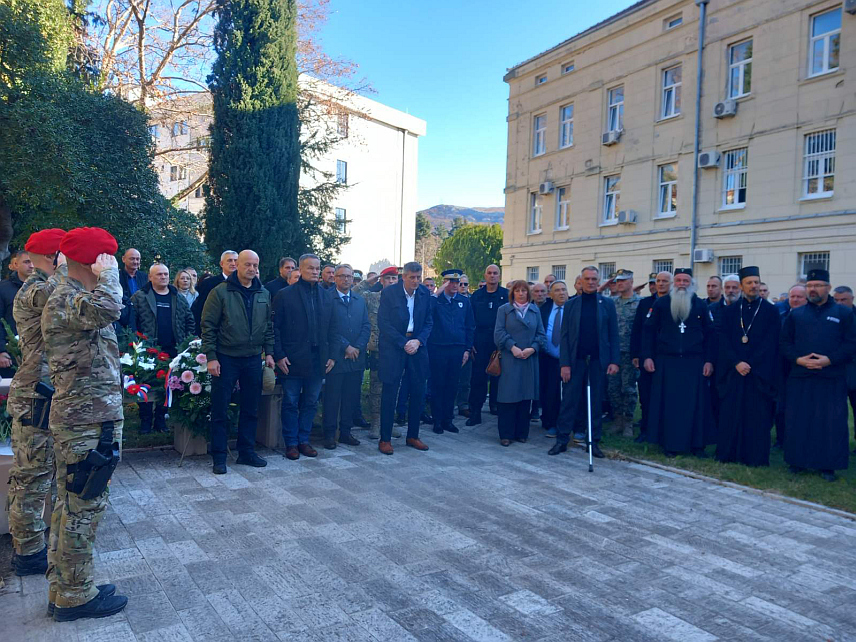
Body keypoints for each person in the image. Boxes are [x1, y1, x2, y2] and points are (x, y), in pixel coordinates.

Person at [42, 227, 128, 620]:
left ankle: (66, 587)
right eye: (106, 261)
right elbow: (109, 308)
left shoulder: (69, 296)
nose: (109, 268)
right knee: (83, 507)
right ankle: (75, 595)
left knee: (71, 503)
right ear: (96, 262)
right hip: (85, 423)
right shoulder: (70, 298)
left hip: (86, 419)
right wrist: (110, 275)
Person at [7, 230, 65, 578]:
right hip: (35, 397)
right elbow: (64, 292)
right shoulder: (38, 289)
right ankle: (27, 550)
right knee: (31, 478)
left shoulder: (45, 285)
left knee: (44, 475)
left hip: (48, 394)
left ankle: (38, 542)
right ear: (54, 257)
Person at [201, 250, 274, 474]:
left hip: (253, 359)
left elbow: (268, 326)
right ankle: (219, 457)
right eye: (247, 265)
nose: (251, 269)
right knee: (221, 408)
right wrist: (211, 357)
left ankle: (246, 452)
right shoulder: (220, 292)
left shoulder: (263, 292)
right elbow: (208, 326)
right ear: (237, 266)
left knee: (251, 407)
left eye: (255, 265)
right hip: (226, 358)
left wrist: (269, 352)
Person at [780, 269, 856, 481]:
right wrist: (798, 360)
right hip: (801, 377)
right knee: (799, 420)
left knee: (829, 422)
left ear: (828, 288)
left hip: (830, 377)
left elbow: (851, 344)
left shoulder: (844, 314)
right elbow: (785, 343)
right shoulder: (796, 314)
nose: (813, 289)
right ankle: (797, 461)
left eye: (818, 285)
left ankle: (828, 465)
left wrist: (829, 360)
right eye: (810, 285)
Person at [642, 268, 715, 457]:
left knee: (695, 406)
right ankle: (670, 444)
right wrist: (647, 356)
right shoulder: (661, 304)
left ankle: (697, 445)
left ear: (691, 283)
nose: (682, 284)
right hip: (667, 362)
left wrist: (709, 360)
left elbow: (710, 335)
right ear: (674, 283)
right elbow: (648, 331)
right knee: (670, 406)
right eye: (679, 280)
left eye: (686, 281)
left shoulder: (700, 305)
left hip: (694, 363)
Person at [549, 267, 619, 458]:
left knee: (595, 402)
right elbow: (564, 337)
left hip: (598, 361)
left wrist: (614, 360)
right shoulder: (572, 304)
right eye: (586, 278)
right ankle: (562, 440)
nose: (590, 282)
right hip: (575, 361)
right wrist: (564, 364)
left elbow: (613, 334)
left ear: (598, 281)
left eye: (594, 279)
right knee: (569, 401)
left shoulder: (607, 304)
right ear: (580, 281)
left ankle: (593, 441)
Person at [715, 267, 781, 466]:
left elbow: (772, 342)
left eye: (756, 282)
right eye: (749, 283)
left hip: (758, 373)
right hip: (734, 371)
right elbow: (722, 339)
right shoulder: (730, 311)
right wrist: (736, 362)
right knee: (731, 414)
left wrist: (750, 364)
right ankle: (728, 454)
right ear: (742, 286)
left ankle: (755, 458)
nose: (754, 286)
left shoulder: (771, 311)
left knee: (757, 416)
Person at [273, 254, 337, 459]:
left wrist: (333, 355)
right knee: (291, 402)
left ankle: (304, 440)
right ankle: (291, 443)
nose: (315, 272)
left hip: (318, 360)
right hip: (291, 359)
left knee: (310, 402)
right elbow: (274, 328)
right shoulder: (285, 295)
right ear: (300, 270)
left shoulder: (327, 296)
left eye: (317, 268)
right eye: (310, 268)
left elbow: (334, 328)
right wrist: (279, 355)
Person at [131, 263, 195, 434]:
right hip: (149, 349)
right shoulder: (140, 297)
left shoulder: (177, 297)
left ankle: (161, 419)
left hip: (173, 350)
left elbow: (190, 320)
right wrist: (137, 342)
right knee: (145, 384)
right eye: (159, 274)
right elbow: (132, 322)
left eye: (166, 274)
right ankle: (145, 421)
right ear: (150, 277)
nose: (163, 277)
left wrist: (186, 341)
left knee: (167, 385)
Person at [377, 261, 433, 454]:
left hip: (417, 347)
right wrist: (403, 342)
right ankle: (385, 439)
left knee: (418, 391)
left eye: (418, 277)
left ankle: (413, 435)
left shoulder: (425, 294)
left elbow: (428, 322)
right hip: (394, 347)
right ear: (404, 277)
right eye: (412, 278)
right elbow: (383, 323)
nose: (415, 281)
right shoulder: (389, 293)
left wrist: (418, 341)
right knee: (390, 392)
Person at [493, 281, 547, 446]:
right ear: (513, 293)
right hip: (510, 358)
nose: (521, 293)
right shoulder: (504, 310)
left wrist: (533, 348)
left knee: (525, 398)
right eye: (518, 290)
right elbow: (499, 333)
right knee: (508, 396)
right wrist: (513, 347)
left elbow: (541, 334)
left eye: (524, 290)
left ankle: (521, 433)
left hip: (528, 359)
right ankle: (506, 434)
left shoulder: (534, 310)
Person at [322, 264, 369, 449]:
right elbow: (327, 328)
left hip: (356, 357)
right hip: (336, 357)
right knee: (332, 398)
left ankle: (346, 432)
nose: (346, 280)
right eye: (342, 276)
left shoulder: (359, 300)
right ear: (335, 278)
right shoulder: (327, 298)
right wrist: (345, 346)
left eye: (349, 276)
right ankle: (329, 434)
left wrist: (357, 346)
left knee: (351, 396)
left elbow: (366, 325)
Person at [427, 269, 474, 435]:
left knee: (452, 385)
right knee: (438, 384)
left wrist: (467, 349)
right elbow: (427, 311)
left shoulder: (464, 301)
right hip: (438, 347)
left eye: (458, 282)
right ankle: (437, 420)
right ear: (445, 283)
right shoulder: (436, 300)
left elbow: (469, 326)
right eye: (451, 282)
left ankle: (448, 420)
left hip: (457, 348)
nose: (455, 285)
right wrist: (437, 292)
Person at [630, 271, 671, 442]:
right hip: (647, 356)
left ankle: (663, 431)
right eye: (658, 281)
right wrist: (636, 354)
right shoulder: (646, 303)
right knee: (646, 395)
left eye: (664, 281)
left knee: (664, 396)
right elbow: (637, 329)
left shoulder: (675, 303)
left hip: (667, 358)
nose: (660, 284)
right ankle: (645, 430)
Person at [467, 265, 507, 426]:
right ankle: (475, 412)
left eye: (495, 273)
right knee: (478, 379)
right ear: (485, 275)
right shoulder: (476, 296)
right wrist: (471, 343)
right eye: (489, 273)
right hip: (480, 342)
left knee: (499, 377)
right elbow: (469, 322)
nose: (492, 276)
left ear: (499, 276)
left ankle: (495, 406)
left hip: (500, 341)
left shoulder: (505, 295)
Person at [363, 266, 401, 439]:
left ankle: (389, 422)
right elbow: (353, 293)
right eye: (388, 279)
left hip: (396, 350)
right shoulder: (372, 298)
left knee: (394, 387)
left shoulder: (403, 299)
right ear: (381, 281)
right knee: (376, 388)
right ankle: (376, 423)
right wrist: (367, 281)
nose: (392, 282)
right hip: (378, 350)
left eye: (394, 279)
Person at [604, 269, 640, 437]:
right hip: (614, 354)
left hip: (630, 354)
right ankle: (617, 420)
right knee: (613, 388)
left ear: (631, 282)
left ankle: (628, 423)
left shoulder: (639, 303)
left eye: (624, 281)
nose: (620, 284)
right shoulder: (611, 303)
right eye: (618, 281)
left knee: (629, 389)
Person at [774, 284, 808, 447]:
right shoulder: (782, 315)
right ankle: (781, 440)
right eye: (792, 297)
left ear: (806, 298)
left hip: (803, 368)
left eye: (799, 297)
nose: (795, 300)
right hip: (782, 368)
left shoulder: (811, 318)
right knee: (781, 407)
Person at [539, 280, 568, 438]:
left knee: (568, 393)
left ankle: (566, 423)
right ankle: (550, 422)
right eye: (557, 290)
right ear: (551, 294)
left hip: (568, 359)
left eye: (564, 289)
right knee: (550, 391)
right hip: (548, 358)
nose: (561, 293)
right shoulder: (544, 309)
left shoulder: (572, 309)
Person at [0, 250, 34, 375]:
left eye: (33, 262)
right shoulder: (3, 289)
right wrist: (2, 350)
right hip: (12, 354)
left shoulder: (45, 287)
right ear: (15, 264)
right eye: (26, 262)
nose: (31, 266)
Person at [832, 285, 856, 448]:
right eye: (836, 300)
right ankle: (835, 444)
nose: (839, 303)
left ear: (852, 299)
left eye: (844, 300)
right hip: (836, 370)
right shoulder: (830, 316)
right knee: (835, 412)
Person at [192, 250, 238, 333]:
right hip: (215, 331)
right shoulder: (209, 283)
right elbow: (201, 308)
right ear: (221, 264)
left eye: (236, 261)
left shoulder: (244, 284)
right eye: (229, 260)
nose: (233, 263)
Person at [456, 274, 473, 417]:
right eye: (460, 284)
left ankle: (463, 405)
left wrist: (469, 346)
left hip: (466, 345)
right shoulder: (448, 300)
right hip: (452, 345)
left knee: (465, 380)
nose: (462, 286)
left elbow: (471, 326)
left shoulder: (471, 301)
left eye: (464, 284)